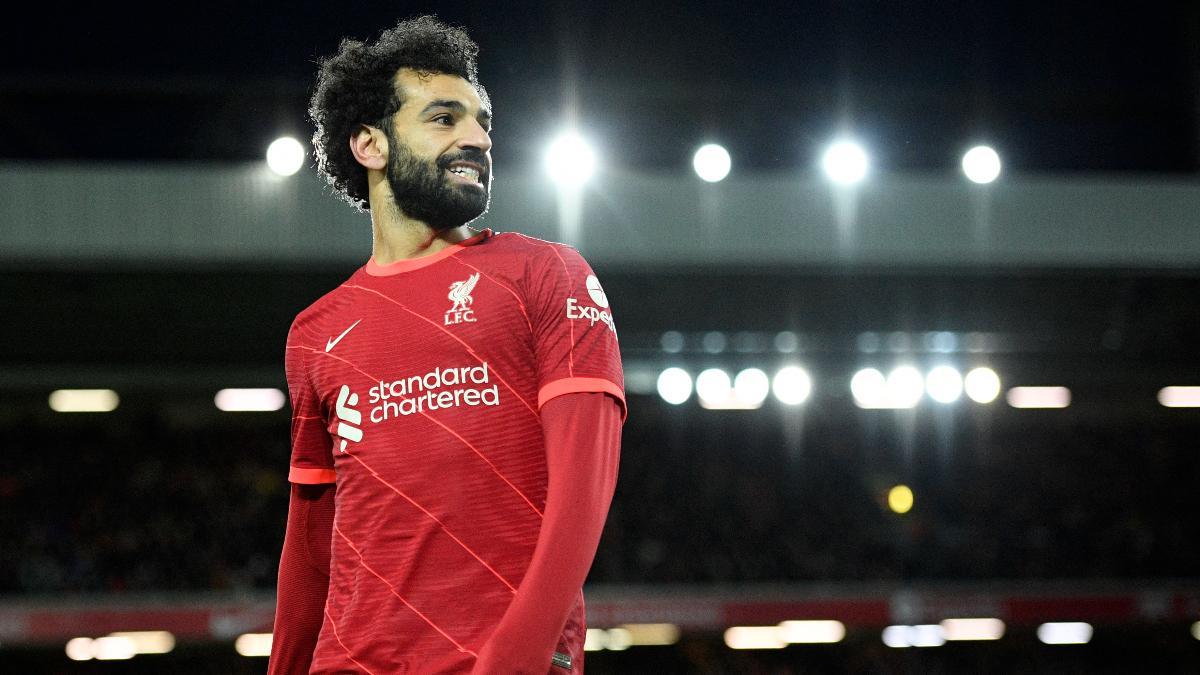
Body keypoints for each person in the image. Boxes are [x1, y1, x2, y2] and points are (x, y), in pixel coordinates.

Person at [267, 15, 625, 674]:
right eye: (443, 118)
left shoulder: (545, 275)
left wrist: (517, 654)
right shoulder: (316, 333)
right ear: (370, 144)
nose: (478, 138)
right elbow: (310, 544)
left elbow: (585, 489)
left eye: (483, 120)